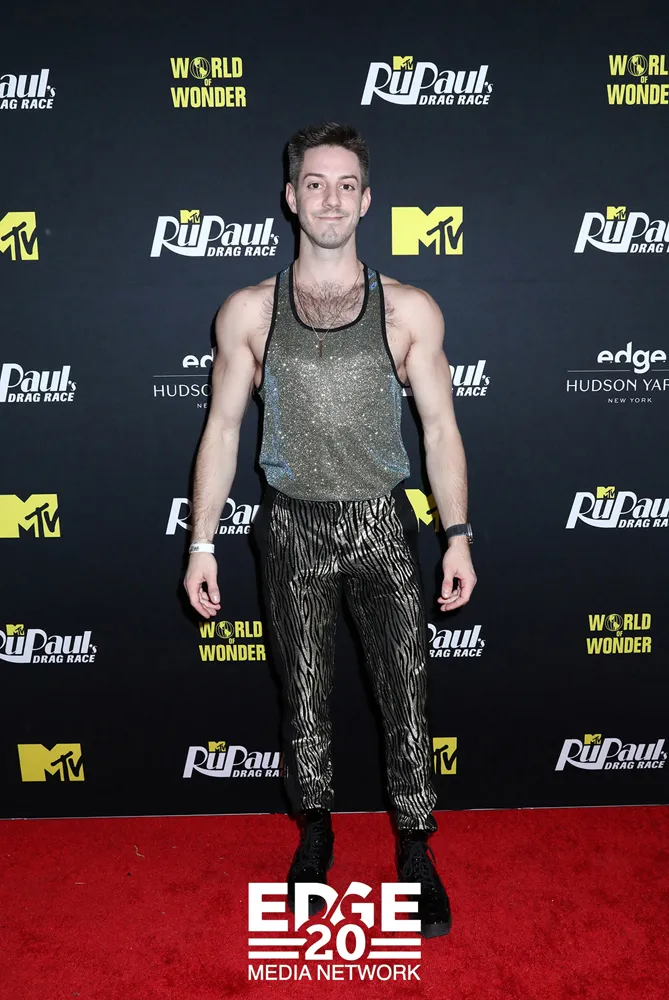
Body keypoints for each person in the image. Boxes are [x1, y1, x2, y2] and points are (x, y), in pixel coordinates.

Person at [183, 122, 476, 939]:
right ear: (290, 197)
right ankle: (314, 834)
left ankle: (414, 845)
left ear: (367, 200)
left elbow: (440, 430)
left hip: (382, 522)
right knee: (303, 696)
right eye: (315, 183)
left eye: (346, 184)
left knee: (406, 695)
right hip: (291, 527)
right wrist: (201, 544)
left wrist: (456, 534)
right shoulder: (248, 310)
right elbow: (222, 429)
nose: (331, 199)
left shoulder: (408, 307)